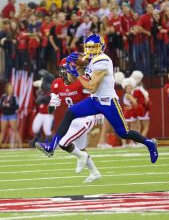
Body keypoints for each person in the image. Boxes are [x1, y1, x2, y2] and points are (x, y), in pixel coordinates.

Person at [36, 34, 158, 168]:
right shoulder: (89, 59)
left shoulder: (103, 61)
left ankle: (149, 144)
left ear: (101, 47)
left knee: (124, 133)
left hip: (108, 102)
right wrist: (70, 67)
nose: (91, 50)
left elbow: (92, 87)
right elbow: (71, 80)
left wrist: (77, 73)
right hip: (95, 101)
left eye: (94, 47)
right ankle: (51, 146)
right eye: (88, 47)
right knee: (70, 112)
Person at [48, 58, 101, 183]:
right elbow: (53, 103)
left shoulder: (81, 81)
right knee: (80, 148)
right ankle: (95, 172)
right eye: (62, 70)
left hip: (86, 117)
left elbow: (95, 94)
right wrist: (51, 105)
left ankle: (82, 157)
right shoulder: (57, 83)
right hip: (74, 119)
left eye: (65, 69)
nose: (63, 72)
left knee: (63, 142)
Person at [0, 83, 23, 148]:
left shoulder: (14, 97)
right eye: (10, 88)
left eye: (12, 88)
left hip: (12, 115)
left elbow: (17, 106)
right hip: (4, 115)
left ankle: (20, 145)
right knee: (2, 131)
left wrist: (10, 106)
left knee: (15, 130)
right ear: (7, 89)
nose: (11, 89)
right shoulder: (3, 96)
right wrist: (4, 106)